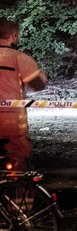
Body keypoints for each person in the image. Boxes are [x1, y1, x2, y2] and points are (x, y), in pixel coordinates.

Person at [0, 18, 47, 171]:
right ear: (13, 36)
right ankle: (18, 194)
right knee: (18, 160)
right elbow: (38, 84)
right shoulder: (18, 58)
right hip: (11, 121)